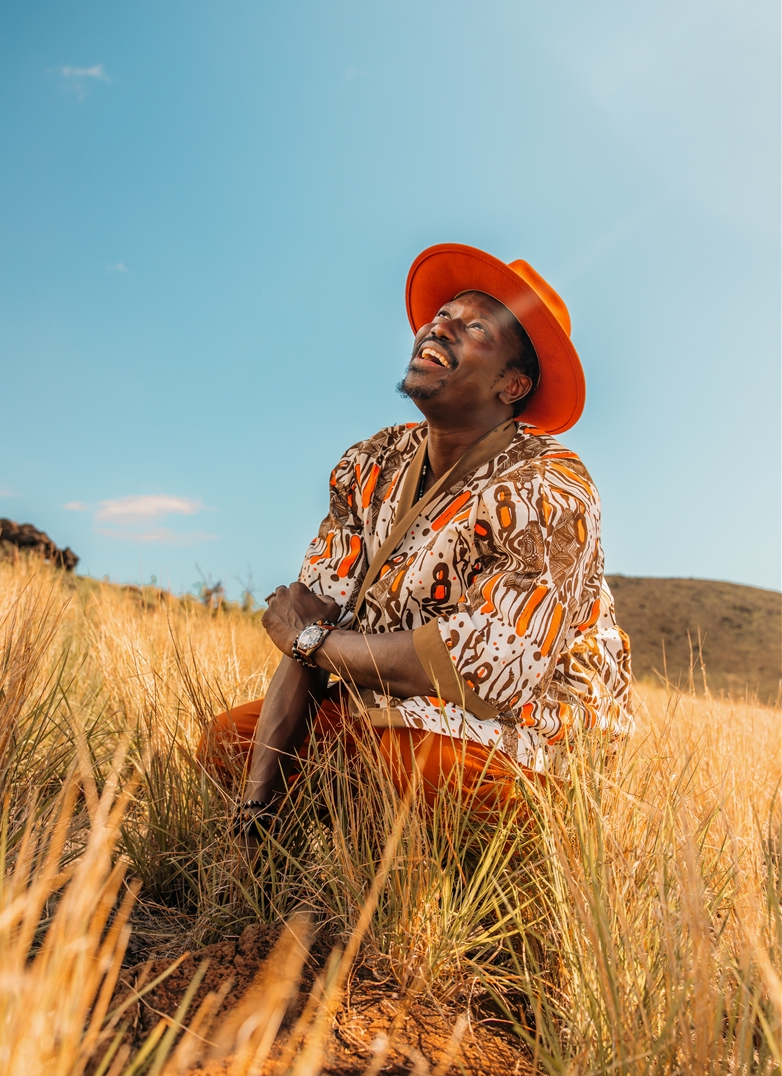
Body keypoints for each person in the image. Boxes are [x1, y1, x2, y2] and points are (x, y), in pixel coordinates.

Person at [202, 243, 632, 835]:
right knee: (229, 744)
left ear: (512, 385)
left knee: (407, 769)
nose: (441, 326)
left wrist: (311, 641)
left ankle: (441, 841)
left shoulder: (551, 484)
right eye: (444, 314)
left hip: (525, 732)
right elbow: (309, 619)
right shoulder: (371, 461)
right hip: (385, 709)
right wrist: (255, 808)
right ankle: (328, 829)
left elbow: (483, 666)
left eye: (476, 327)